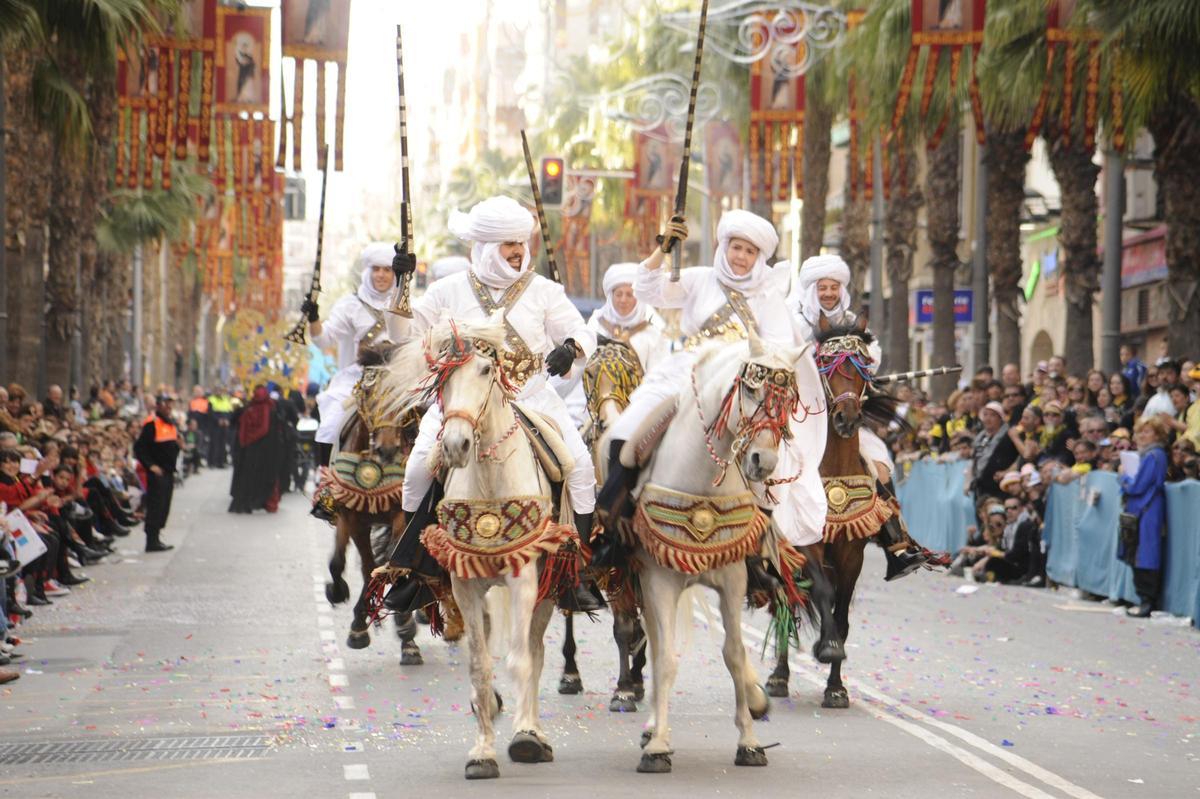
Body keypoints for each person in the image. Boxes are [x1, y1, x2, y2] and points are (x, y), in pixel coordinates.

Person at [384, 196, 602, 612]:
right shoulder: (448, 290)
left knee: (582, 467)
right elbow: (401, 335)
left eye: (521, 242)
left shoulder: (544, 290)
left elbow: (580, 329)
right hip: (463, 401)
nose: (519, 250)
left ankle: (577, 574)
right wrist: (402, 285)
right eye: (508, 244)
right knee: (415, 470)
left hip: (532, 398)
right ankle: (416, 570)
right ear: (485, 247)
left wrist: (571, 347)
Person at [596, 209, 828, 586]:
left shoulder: (769, 296)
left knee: (768, 456)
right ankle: (611, 529)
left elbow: (780, 348)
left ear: (759, 257)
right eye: (736, 247)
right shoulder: (701, 279)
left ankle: (760, 553)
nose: (741, 257)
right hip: (688, 372)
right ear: (724, 246)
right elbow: (648, 290)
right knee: (624, 435)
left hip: (740, 382)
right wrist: (663, 249)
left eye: (750, 251)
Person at [788, 253, 932, 578]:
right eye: (822, 287)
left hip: (843, 411)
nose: (828, 293)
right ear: (812, 289)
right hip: (800, 416)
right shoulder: (794, 322)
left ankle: (897, 542)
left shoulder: (853, 320)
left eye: (834, 287)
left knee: (879, 462)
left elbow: (873, 354)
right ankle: (762, 549)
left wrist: (858, 361)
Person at [308, 242, 399, 474]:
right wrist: (313, 318)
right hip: (356, 381)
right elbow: (323, 340)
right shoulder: (349, 305)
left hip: (399, 381)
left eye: (387, 270)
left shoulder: (407, 304)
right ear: (368, 272)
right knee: (329, 426)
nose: (381, 275)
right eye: (376, 269)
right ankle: (326, 485)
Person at [1119, 417, 1170, 618]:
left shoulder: (1154, 455)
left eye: (1147, 432)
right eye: (1140, 432)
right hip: (1141, 507)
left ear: (1157, 435)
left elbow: (1138, 485)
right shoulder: (1149, 454)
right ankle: (1144, 599)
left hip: (1147, 508)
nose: (1142, 435)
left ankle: (1148, 601)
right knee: (1137, 551)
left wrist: (1123, 477)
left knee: (1145, 553)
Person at [133, 394, 181, 552]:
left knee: (164, 506)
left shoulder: (171, 422)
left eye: (170, 404)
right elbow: (140, 448)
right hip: (157, 473)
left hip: (168, 471)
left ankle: (157, 537)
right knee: (155, 506)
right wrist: (151, 466)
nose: (169, 407)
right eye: (166, 404)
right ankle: (151, 540)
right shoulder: (152, 423)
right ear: (158, 406)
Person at [228, 386, 287, 514]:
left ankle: (247, 503)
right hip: (267, 452)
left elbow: (241, 430)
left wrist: (244, 444)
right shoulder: (271, 409)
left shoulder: (248, 409)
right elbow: (273, 431)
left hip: (250, 450)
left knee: (248, 476)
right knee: (266, 476)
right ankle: (264, 502)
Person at [970, 401, 1019, 506]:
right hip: (981, 487)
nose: (988, 419)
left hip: (1000, 488)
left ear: (1000, 418)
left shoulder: (1009, 436)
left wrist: (1008, 471)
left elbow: (1021, 457)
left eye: (992, 415)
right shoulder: (980, 438)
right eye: (985, 415)